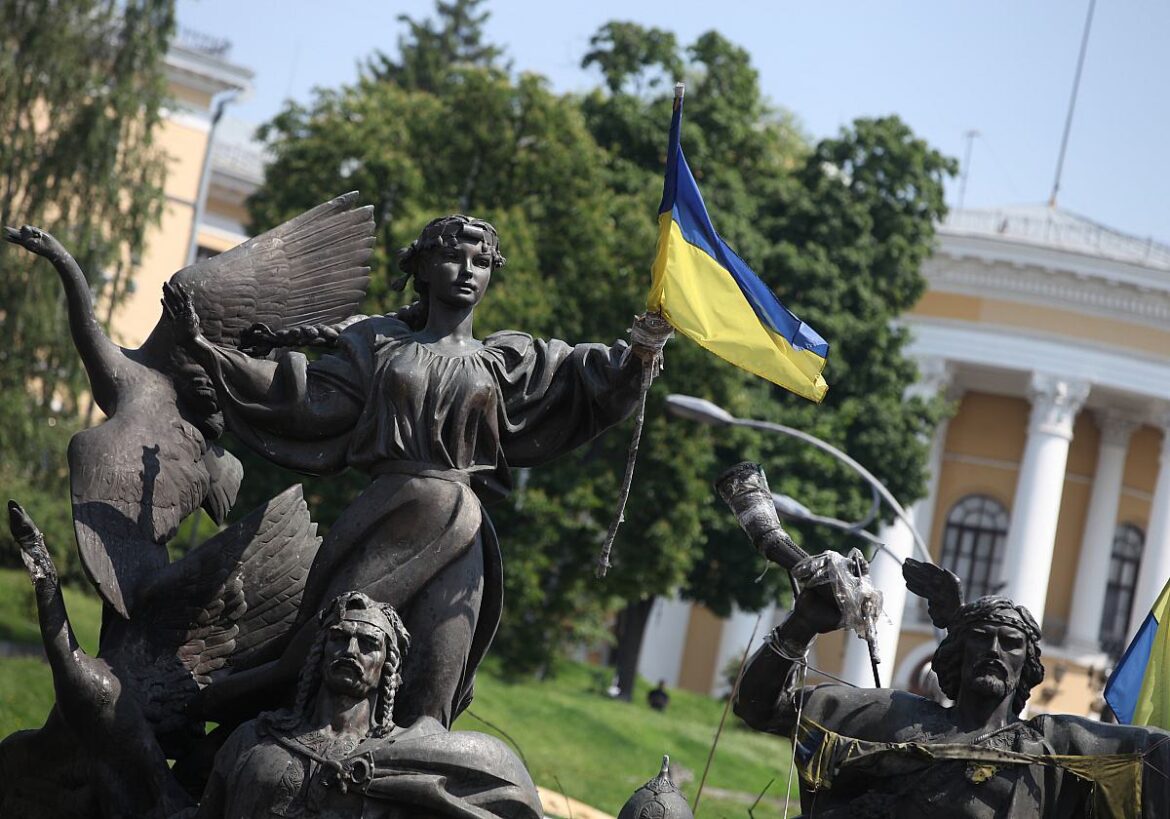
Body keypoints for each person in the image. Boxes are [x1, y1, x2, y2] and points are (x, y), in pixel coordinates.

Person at [164, 214, 671, 727]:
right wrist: (207, 351)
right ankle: (225, 726)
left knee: (432, 697)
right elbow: (303, 400)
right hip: (386, 517)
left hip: (461, 530)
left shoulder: (507, 360)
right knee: (317, 660)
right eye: (452, 257)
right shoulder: (379, 345)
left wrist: (642, 351)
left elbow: (587, 381)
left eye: (481, 262)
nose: (468, 270)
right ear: (423, 268)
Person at [734, 571, 1170, 817]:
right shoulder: (894, 717)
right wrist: (802, 623)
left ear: (1027, 665)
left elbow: (1158, 758)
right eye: (981, 637)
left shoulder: (1054, 748)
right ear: (957, 652)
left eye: (1010, 643)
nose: (995, 650)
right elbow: (761, 707)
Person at [193, 591, 543, 818]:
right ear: (319, 654)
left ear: (388, 668)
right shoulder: (253, 740)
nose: (350, 651)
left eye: (368, 644)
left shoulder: (409, 757)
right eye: (339, 639)